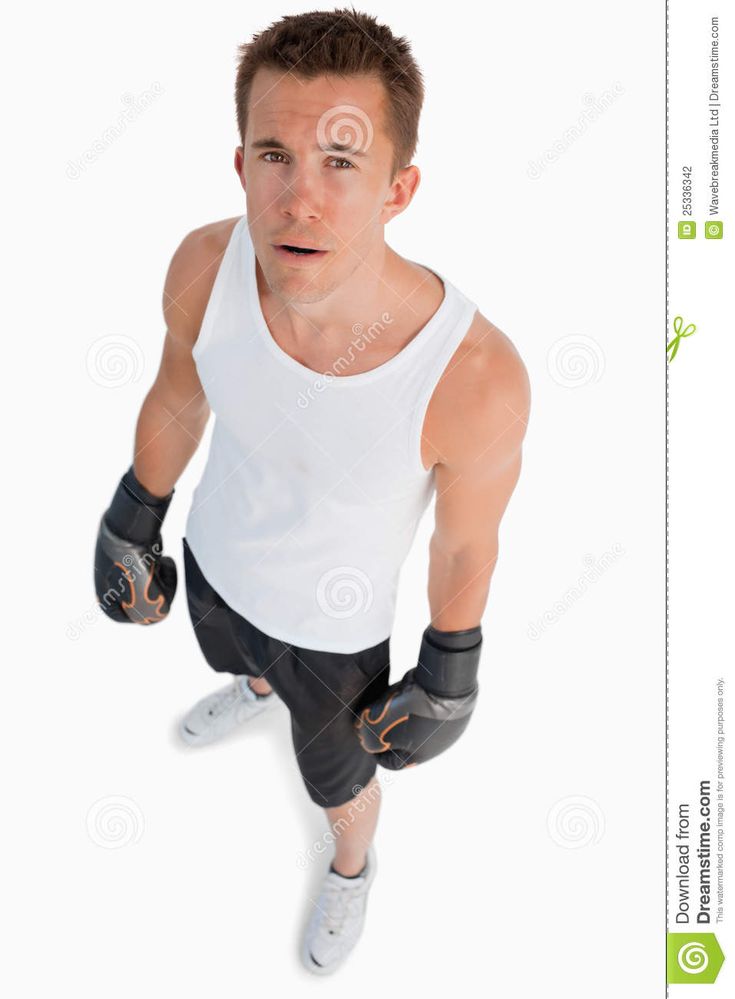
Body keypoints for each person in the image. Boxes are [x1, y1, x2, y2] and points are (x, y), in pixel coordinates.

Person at [93, 6, 530, 976]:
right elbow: (178, 393)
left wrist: (449, 672)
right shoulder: (205, 264)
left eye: (341, 162)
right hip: (215, 562)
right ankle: (252, 685)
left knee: (340, 784)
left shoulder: (473, 373)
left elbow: (465, 547)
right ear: (240, 165)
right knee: (235, 657)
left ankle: (351, 865)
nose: (301, 199)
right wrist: (136, 515)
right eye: (275, 155)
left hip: (335, 641)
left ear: (397, 188)